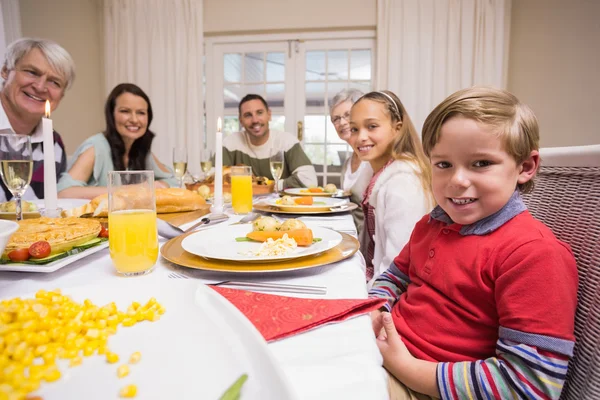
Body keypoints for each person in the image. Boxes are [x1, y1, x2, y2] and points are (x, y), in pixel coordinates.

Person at [368, 87, 578, 400]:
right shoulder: (431, 224)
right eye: (443, 164)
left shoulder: (534, 254)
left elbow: (530, 386)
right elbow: (394, 278)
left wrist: (403, 365)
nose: (457, 180)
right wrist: (376, 308)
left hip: (425, 385)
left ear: (525, 167)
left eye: (480, 163)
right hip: (385, 357)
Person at [349, 91, 433, 285]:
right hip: (378, 276)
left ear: (397, 128)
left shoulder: (404, 183)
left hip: (393, 291)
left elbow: (399, 265)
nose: (361, 137)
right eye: (354, 129)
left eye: (372, 126)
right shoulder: (377, 173)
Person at [57, 83, 177, 199]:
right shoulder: (97, 146)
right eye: (125, 111)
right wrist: (134, 189)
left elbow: (175, 180)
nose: (134, 119)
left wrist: (161, 185)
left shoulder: (140, 148)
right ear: (111, 114)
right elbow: (64, 192)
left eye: (141, 113)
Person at [0, 38, 75, 202]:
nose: (40, 87)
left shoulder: (53, 144)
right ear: (5, 71)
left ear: (61, 96)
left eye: (54, 82)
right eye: (32, 72)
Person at [222, 94, 317, 189]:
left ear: (269, 115)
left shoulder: (286, 141)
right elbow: (210, 177)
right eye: (248, 115)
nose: (255, 120)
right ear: (241, 120)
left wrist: (269, 186)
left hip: (281, 202)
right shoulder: (231, 143)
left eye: (259, 113)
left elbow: (309, 181)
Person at [330, 89, 373, 234]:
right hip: (349, 234)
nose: (341, 122)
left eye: (347, 115)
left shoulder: (372, 158)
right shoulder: (348, 163)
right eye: (336, 119)